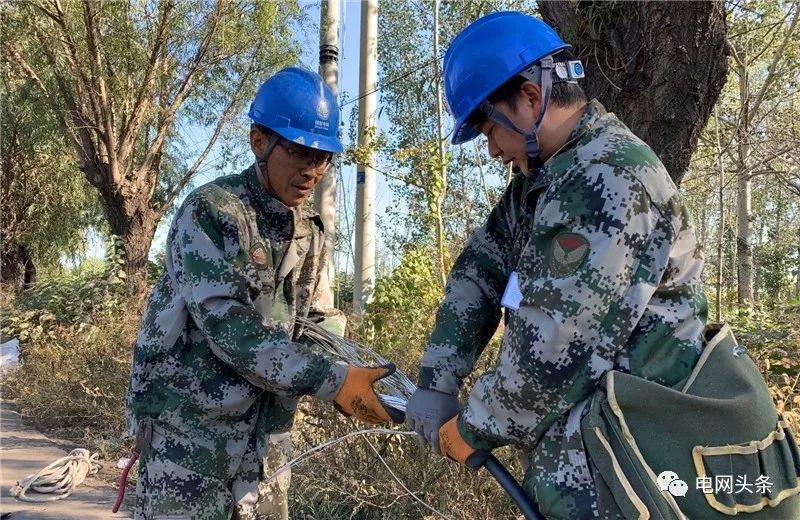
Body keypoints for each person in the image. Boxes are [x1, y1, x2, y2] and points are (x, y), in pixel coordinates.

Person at [405, 12, 709, 518]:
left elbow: (552, 348)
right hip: (590, 469)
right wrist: (438, 379)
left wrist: (473, 425)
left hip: (636, 474)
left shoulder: (607, 177)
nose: (493, 150)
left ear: (529, 97)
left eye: (488, 129)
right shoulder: (545, 181)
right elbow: (480, 270)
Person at [126, 67, 403, 520]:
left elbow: (316, 322)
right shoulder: (212, 213)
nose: (312, 170)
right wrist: (331, 381)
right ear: (260, 143)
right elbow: (229, 327)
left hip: (267, 444)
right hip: (191, 438)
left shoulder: (308, 232)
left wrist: (368, 381)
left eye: (323, 157)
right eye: (299, 152)